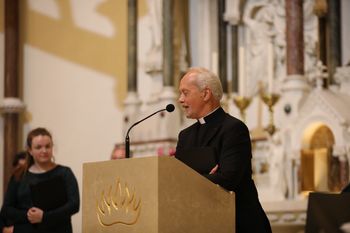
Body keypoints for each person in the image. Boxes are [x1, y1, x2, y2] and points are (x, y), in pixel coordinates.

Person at [175, 67, 272, 233]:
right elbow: (176, 180)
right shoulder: (185, 136)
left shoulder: (233, 129)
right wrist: (210, 177)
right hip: (200, 223)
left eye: (185, 93)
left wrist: (193, 179)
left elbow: (228, 179)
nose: (180, 99)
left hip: (239, 223)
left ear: (205, 94)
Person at [1, 127, 80, 233]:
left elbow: (74, 205)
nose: (44, 151)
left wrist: (44, 216)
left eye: (47, 146)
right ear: (30, 150)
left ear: (52, 147)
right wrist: (28, 215)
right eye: (38, 147)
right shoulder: (19, 175)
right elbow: (7, 209)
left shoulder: (64, 173)